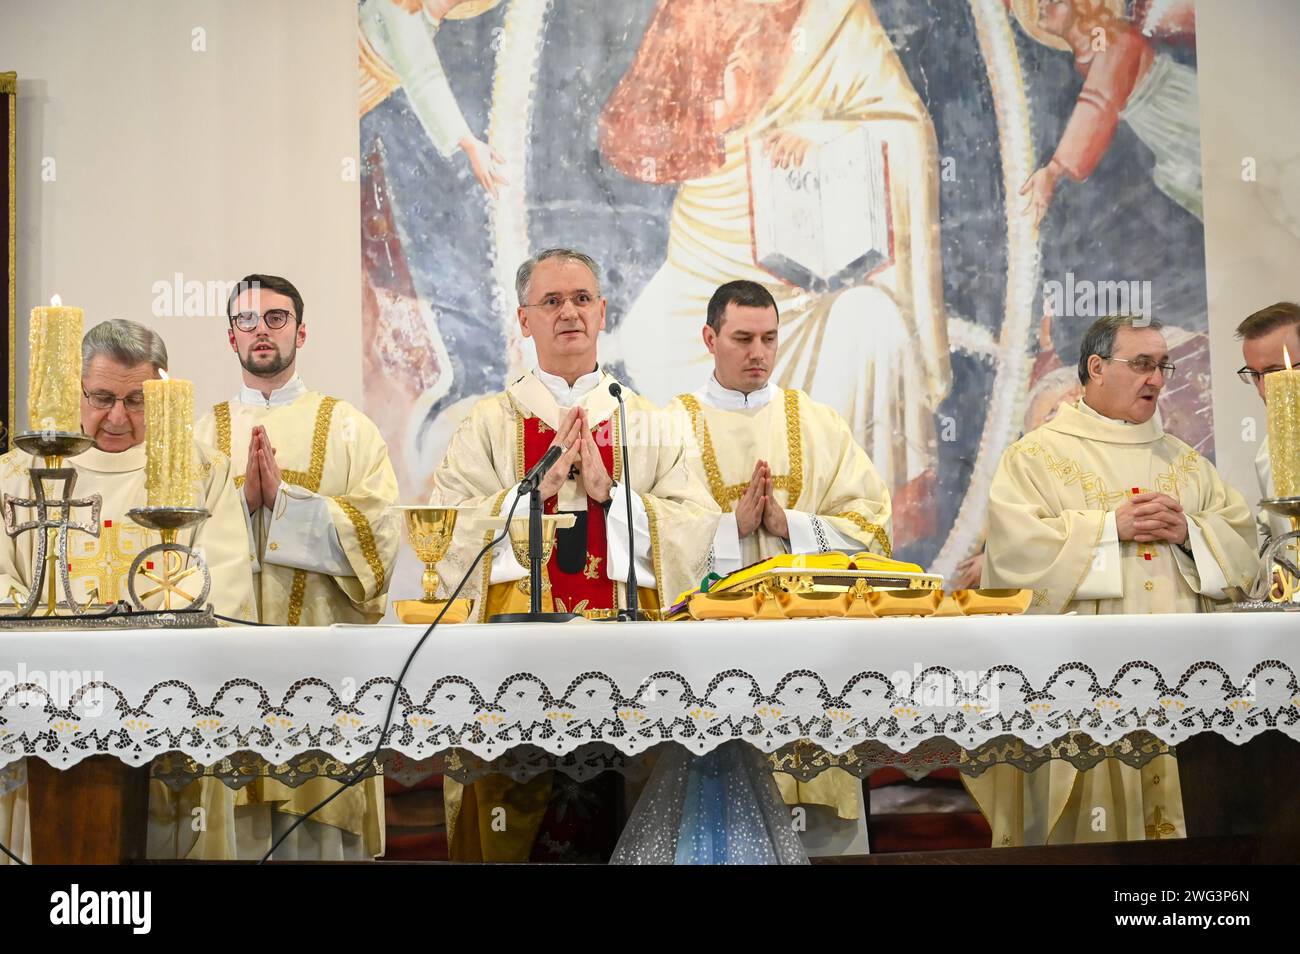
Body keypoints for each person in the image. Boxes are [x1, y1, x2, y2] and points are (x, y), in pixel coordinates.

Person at [428, 247, 718, 861]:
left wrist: (611, 497)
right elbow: (448, 531)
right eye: (551, 301)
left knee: (622, 824)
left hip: (627, 667)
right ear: (524, 319)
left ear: (603, 312)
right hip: (514, 667)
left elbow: (698, 527)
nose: (569, 313)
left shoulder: (648, 422)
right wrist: (533, 494)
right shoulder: (487, 423)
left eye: (582, 298)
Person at [969, 315, 1257, 846]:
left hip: (1179, 686)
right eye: (1142, 365)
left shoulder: (1189, 465)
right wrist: (1108, 528)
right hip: (1081, 687)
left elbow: (1243, 550)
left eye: (1162, 366)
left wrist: (1192, 532)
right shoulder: (1034, 458)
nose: (1156, 379)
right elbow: (1013, 559)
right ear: (1096, 368)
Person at [0, 319, 256, 865]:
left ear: (161, 395)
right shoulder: (19, 475)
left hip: (168, 709)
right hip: (48, 703)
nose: (117, 417)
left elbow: (226, 590)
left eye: (138, 401)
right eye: (102, 398)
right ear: (77, 393)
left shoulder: (201, 474)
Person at [163, 274, 400, 861]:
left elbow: (380, 535)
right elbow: (170, 552)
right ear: (229, 337)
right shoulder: (197, 435)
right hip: (223, 668)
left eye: (275, 318)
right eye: (247, 320)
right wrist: (237, 508)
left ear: (301, 330)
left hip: (319, 666)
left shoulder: (349, 427)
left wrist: (289, 509)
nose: (261, 330)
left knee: (315, 837)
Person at [1235, 301, 1300, 547]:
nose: (1264, 390)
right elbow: (1276, 532)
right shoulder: (1270, 451)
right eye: (1255, 375)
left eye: (1275, 372)